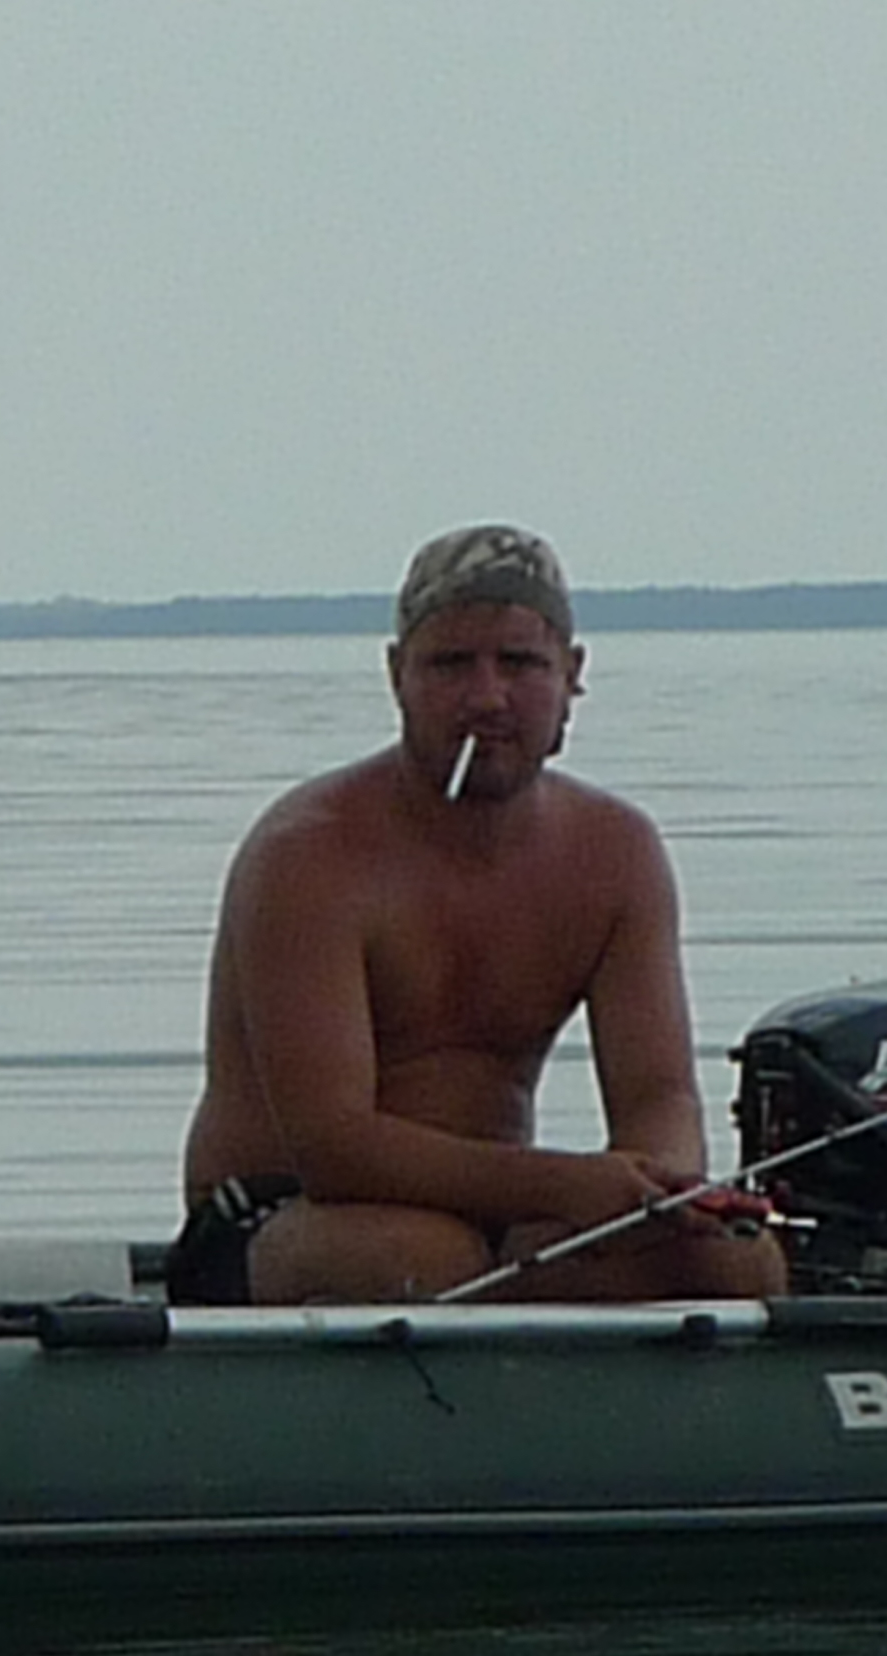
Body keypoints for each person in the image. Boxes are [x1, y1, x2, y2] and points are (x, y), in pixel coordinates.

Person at [171, 524, 786, 1305]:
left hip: (498, 1214)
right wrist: (565, 1186)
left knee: (736, 1261)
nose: (487, 699)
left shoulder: (616, 852)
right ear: (398, 676)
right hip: (286, 1212)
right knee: (423, 1258)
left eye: (520, 664)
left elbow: (659, 1097)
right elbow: (332, 1146)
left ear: (572, 675)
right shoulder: (310, 855)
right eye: (451, 665)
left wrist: (653, 1191)